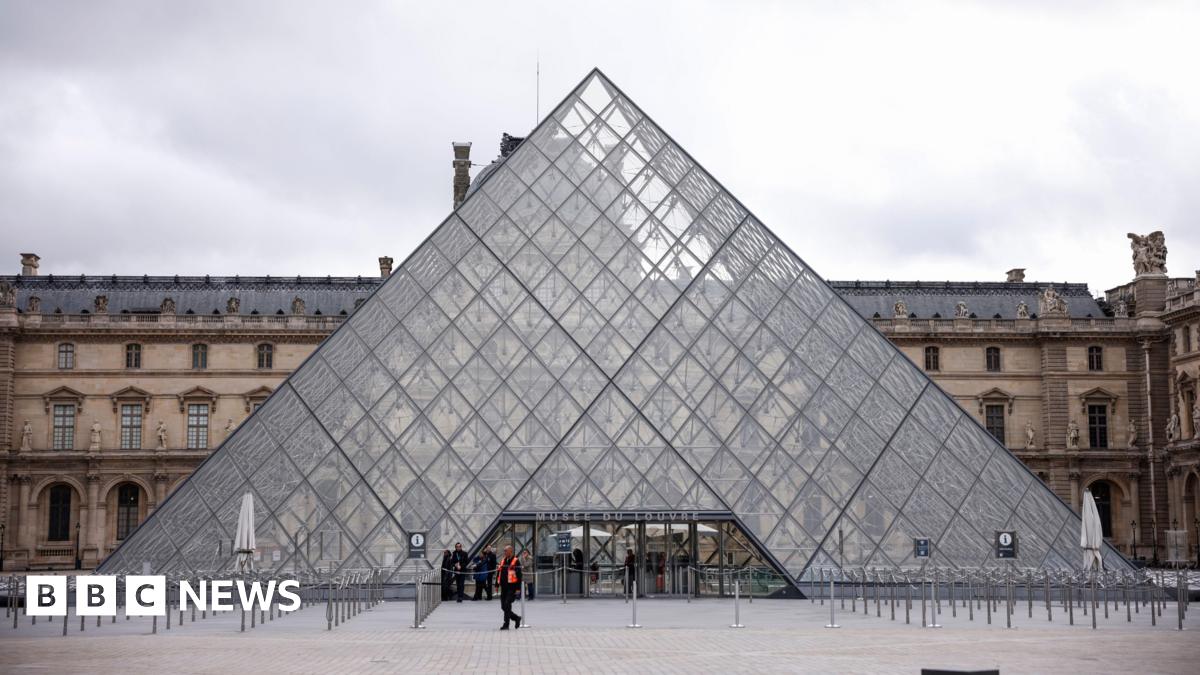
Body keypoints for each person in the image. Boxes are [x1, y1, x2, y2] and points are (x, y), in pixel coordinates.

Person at [495, 545, 522, 630]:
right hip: (504, 587)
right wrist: (496, 584)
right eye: (504, 550)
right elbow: (499, 573)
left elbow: (519, 576)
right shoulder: (503, 560)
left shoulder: (516, 561)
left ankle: (506, 624)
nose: (504, 552)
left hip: (512, 587)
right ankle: (516, 618)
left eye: (506, 550)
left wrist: (518, 589)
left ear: (511, 551)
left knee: (507, 604)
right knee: (503, 607)